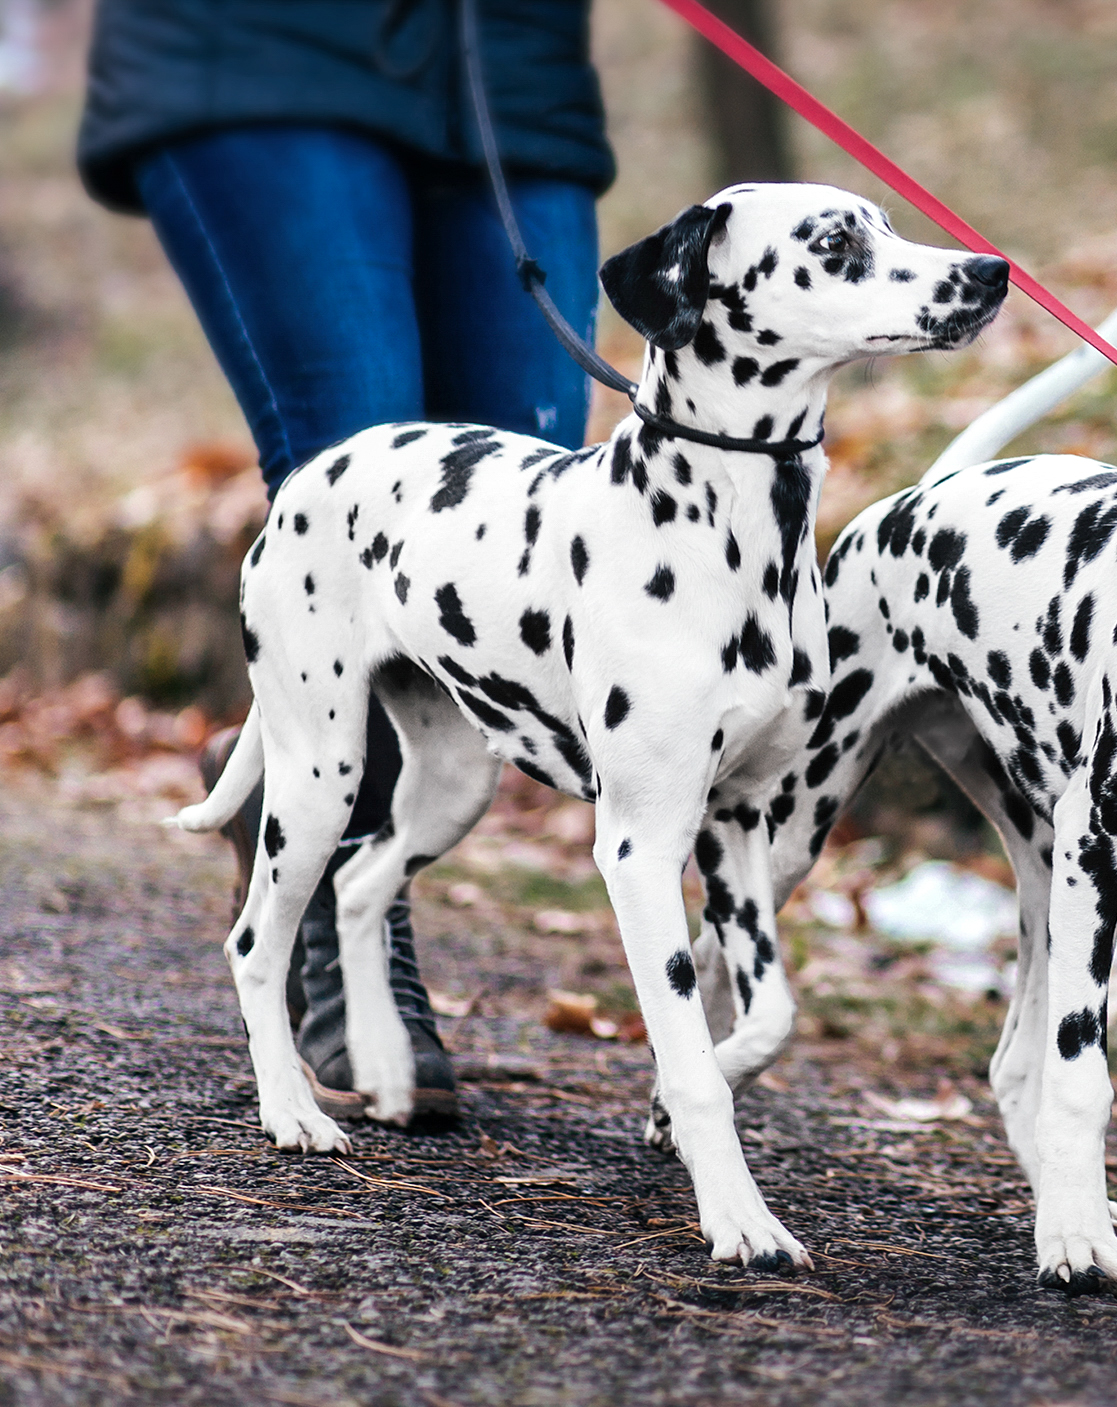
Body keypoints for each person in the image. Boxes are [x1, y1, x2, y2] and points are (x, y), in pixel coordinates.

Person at [77, 0, 616, 1121]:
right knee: (354, 475)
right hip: (265, 51)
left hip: (511, 66)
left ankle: (287, 766)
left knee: (509, 517)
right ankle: (334, 903)